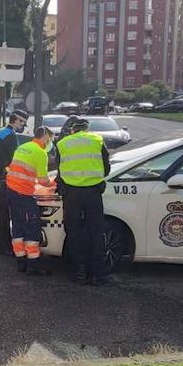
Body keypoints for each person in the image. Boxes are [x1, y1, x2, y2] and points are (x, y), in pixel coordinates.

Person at [55, 116, 112, 285]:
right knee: (96, 232)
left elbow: (59, 170)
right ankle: (97, 274)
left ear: (72, 129)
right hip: (93, 192)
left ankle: (78, 271)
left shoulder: (63, 144)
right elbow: (106, 168)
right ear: (86, 129)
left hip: (71, 194)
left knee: (73, 232)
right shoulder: (97, 140)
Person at [5, 126, 55, 275]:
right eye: (50, 139)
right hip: (23, 193)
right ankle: (33, 264)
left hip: (11, 190)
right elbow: (43, 180)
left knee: (17, 225)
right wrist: (54, 183)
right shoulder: (40, 153)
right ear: (45, 137)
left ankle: (21, 262)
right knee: (31, 227)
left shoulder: (23, 147)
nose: (50, 143)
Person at [0, 111, 28, 256]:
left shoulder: (1, 133)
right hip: (6, 178)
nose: (23, 125)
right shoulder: (10, 136)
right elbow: (14, 160)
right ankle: (5, 247)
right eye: (22, 122)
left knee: (3, 213)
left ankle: (2, 246)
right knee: (8, 213)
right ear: (16, 120)